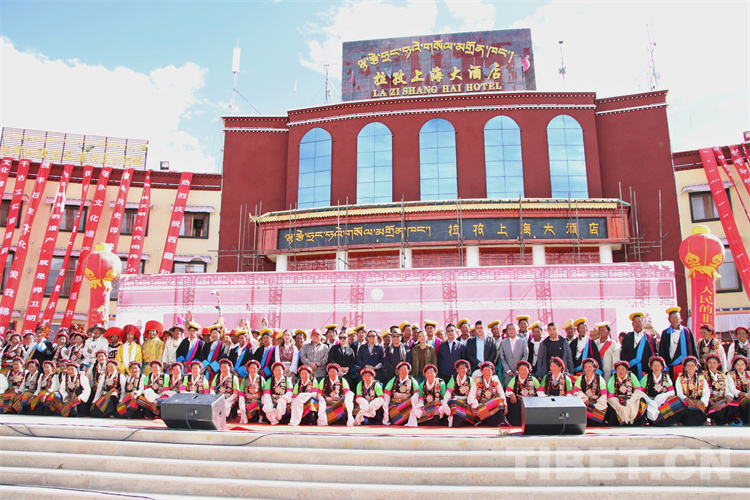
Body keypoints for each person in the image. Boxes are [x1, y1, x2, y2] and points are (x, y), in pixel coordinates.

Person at [640, 356, 684, 426]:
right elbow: (640, 392)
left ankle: (667, 420)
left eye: (658, 365)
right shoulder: (647, 377)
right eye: (654, 366)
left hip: (662, 401)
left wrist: (661, 397)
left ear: (662, 367)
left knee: (675, 400)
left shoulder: (666, 377)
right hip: (650, 401)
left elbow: (672, 391)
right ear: (651, 367)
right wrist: (650, 401)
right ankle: (650, 420)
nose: (656, 368)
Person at [658, 307, 699, 380]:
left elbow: (694, 349)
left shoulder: (687, 331)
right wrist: (665, 368)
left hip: (686, 366)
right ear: (669, 320)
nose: (674, 320)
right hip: (671, 366)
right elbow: (662, 351)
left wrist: (696, 364)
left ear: (680, 318)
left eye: (676, 318)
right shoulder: (665, 333)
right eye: (672, 318)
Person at [606, 360, 646, 426]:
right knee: (612, 404)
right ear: (616, 370)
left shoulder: (631, 376)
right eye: (619, 369)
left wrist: (631, 401)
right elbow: (611, 396)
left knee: (640, 400)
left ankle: (634, 421)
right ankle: (622, 420)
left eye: (623, 369)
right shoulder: (613, 378)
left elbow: (638, 390)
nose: (621, 371)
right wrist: (618, 404)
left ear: (626, 370)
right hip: (618, 400)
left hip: (631, 399)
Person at [468, 361, 507, 426]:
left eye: (489, 370)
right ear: (482, 371)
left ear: (492, 372)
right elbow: (471, 395)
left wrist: (505, 405)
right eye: (485, 370)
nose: (487, 372)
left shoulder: (495, 380)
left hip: (493, 405)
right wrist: (473, 407)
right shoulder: (477, 380)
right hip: (481, 405)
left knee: (499, 400)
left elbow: (501, 393)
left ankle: (495, 422)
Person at [675, 356, 710, 426]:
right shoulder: (680, 378)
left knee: (698, 411)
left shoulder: (701, 378)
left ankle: (702, 421)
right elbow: (679, 393)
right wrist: (687, 400)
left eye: (692, 365)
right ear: (685, 367)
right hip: (686, 401)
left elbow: (706, 392)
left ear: (696, 367)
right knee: (685, 410)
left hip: (698, 401)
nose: (690, 368)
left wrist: (701, 401)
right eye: (688, 365)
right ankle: (683, 422)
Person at [620, 313, 657, 380]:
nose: (638, 324)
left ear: (643, 323)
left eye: (639, 322)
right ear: (632, 324)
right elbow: (623, 354)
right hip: (631, 372)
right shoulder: (627, 337)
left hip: (646, 372)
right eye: (635, 322)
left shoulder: (649, 338)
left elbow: (655, 354)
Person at [703, 353, 737, 426]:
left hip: (721, 400)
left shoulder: (723, 375)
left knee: (733, 405)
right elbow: (702, 392)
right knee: (718, 411)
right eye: (710, 363)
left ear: (718, 364)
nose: (712, 365)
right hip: (709, 401)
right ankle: (716, 420)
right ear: (707, 364)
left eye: (714, 363)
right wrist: (712, 403)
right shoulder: (702, 375)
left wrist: (728, 396)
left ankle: (725, 421)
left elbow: (727, 389)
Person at [383, 361, 419, 426]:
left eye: (405, 370)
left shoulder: (412, 380)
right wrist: (386, 403)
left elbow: (417, 392)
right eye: (401, 370)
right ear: (398, 371)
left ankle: (408, 421)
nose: (403, 372)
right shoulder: (394, 379)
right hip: (395, 403)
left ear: (408, 371)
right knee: (392, 408)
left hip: (406, 405)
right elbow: (387, 391)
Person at [573, 358, 608, 426]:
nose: (588, 369)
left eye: (590, 367)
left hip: (596, 403)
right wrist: (584, 399)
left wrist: (596, 405)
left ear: (594, 368)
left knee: (601, 408)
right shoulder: (581, 378)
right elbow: (576, 391)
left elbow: (604, 394)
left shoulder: (599, 378)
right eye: (586, 367)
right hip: (585, 403)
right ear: (583, 369)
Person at [443, 359, 477, 427]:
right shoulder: (453, 379)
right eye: (460, 369)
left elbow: (472, 394)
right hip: (455, 402)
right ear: (457, 370)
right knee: (454, 404)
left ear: (467, 370)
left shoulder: (469, 379)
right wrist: (445, 403)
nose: (462, 370)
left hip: (466, 402)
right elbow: (448, 393)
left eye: (463, 368)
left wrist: (472, 403)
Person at [505, 361, 540, 426]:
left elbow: (540, 391)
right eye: (521, 370)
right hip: (518, 403)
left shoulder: (533, 379)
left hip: (530, 404)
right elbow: (507, 391)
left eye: (525, 370)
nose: (523, 372)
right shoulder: (515, 379)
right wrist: (511, 394)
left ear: (528, 371)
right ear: (518, 371)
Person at [499, 323, 529, 387]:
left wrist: (519, 369)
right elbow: (502, 357)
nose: (511, 331)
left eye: (513, 329)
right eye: (509, 329)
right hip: (507, 374)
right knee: (508, 391)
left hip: (520, 373)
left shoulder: (523, 341)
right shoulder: (503, 342)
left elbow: (525, 355)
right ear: (507, 331)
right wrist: (508, 370)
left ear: (517, 330)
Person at [727, 355, 749, 425]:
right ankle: (747, 421)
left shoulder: (748, 374)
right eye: (738, 364)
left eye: (742, 364)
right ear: (734, 366)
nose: (740, 366)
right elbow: (733, 389)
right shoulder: (731, 375)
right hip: (737, 396)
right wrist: (745, 394)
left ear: (745, 366)